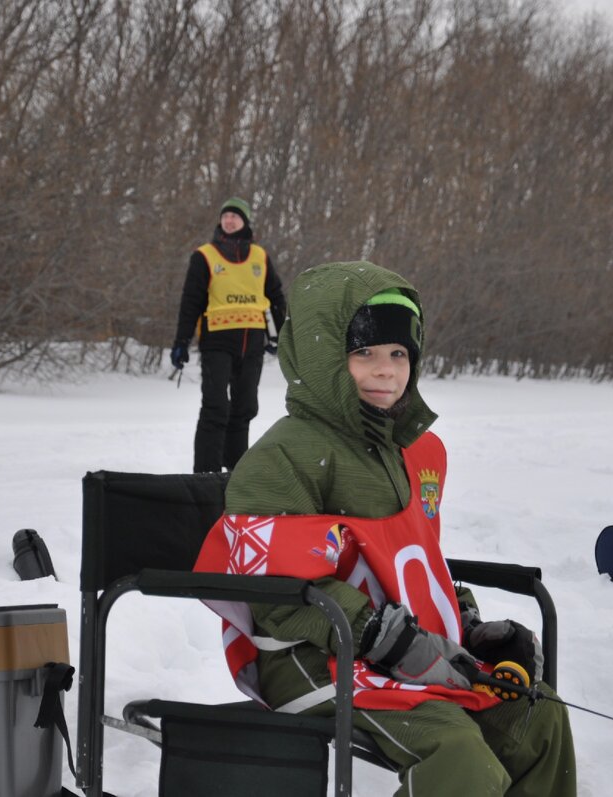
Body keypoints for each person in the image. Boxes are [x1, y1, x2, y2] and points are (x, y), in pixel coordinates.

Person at [195, 261, 576, 796]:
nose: (386, 370)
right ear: (326, 357)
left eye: (399, 354)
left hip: (399, 647)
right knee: (459, 753)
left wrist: (464, 622)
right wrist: (379, 635)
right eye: (364, 353)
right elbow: (278, 594)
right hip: (311, 655)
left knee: (537, 719)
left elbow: (410, 559)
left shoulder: (410, 452)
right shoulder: (282, 457)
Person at [171, 197, 286, 473]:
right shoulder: (204, 256)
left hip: (253, 341)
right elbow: (191, 302)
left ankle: (235, 473)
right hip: (217, 341)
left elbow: (276, 297)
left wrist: (279, 336)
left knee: (244, 407)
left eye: (235, 216)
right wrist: (181, 342)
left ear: (245, 222)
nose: (230, 220)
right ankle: (206, 473)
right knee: (215, 407)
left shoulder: (260, 256)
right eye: (226, 216)